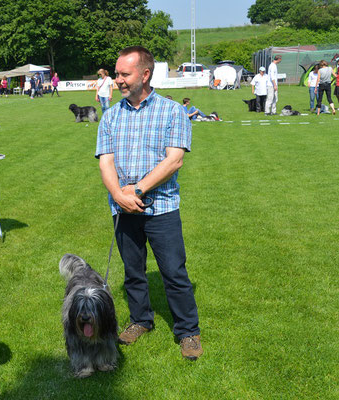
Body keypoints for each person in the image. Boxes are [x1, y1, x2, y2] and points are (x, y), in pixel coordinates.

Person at [95, 46, 202, 360]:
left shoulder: (172, 111)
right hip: (123, 208)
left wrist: (135, 191)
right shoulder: (111, 115)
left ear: (145, 74)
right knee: (133, 272)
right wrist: (118, 195)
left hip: (162, 208)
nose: (118, 80)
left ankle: (188, 331)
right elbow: (106, 161)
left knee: (174, 273)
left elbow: (174, 161)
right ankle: (141, 320)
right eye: (117, 74)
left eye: (124, 74)